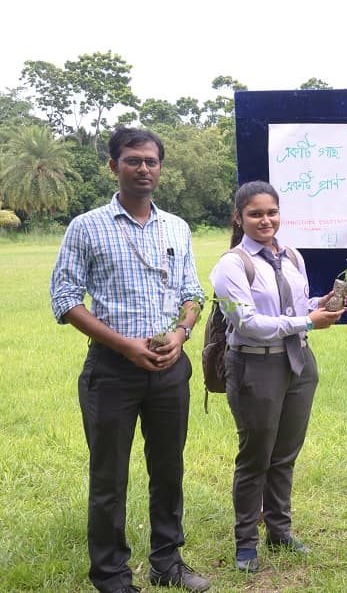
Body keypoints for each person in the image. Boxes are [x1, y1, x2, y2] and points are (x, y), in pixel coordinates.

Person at [50, 127, 210, 592]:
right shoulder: (87, 226)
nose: (144, 168)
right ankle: (111, 576)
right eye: (133, 160)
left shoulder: (176, 227)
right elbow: (64, 299)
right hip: (112, 371)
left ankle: (167, 562)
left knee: (168, 470)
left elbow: (192, 293)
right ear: (113, 166)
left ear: (161, 167)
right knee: (109, 478)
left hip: (168, 369)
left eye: (151, 161)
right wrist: (125, 346)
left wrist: (181, 334)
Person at [209, 180, 347, 573]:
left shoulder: (291, 255)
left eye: (271, 212)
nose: (265, 220)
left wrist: (318, 304)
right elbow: (248, 323)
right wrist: (307, 320)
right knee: (256, 457)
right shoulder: (232, 265)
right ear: (239, 218)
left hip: (299, 362)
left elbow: (293, 304)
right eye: (255, 214)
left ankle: (279, 531)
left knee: (285, 455)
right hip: (256, 366)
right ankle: (245, 543)